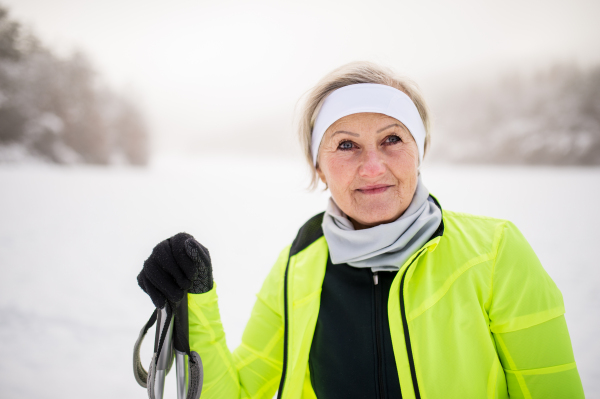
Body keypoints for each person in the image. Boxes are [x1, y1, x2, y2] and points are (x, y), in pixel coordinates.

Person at [137, 62, 585, 398]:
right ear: (319, 165)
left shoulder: (494, 254)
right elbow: (236, 393)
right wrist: (192, 301)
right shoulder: (298, 266)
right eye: (346, 145)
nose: (373, 167)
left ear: (419, 150)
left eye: (392, 139)